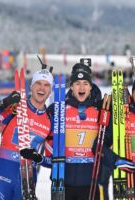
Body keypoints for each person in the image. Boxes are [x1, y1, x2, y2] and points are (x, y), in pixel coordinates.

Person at [31, 63, 105, 200]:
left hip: (91, 183)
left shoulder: (101, 111)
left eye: (85, 83)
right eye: (77, 83)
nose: (81, 87)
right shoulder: (57, 109)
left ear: (90, 87)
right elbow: (43, 138)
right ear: (71, 87)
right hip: (62, 181)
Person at [0, 68, 54, 199]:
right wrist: (4, 103)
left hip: (26, 180)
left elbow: (53, 162)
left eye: (46, 85)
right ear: (31, 86)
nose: (42, 88)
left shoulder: (50, 121)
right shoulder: (15, 108)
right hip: (3, 174)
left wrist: (38, 158)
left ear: (50, 89)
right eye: (38, 83)